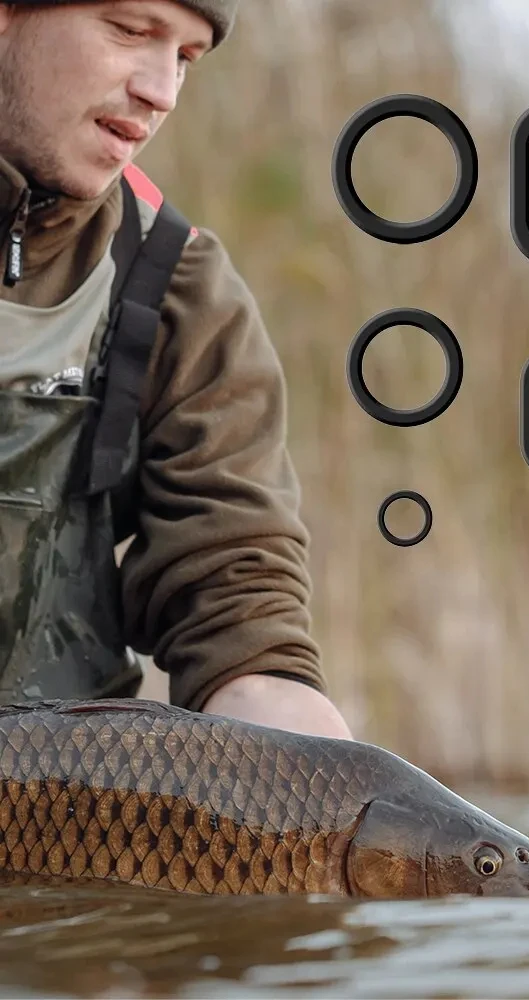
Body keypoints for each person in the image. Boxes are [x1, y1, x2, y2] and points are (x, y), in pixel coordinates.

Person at [0, 0, 353, 740]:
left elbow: (241, 617)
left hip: (73, 801)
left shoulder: (179, 287)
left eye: (187, 57)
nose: (160, 91)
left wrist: (323, 771)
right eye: (131, 30)